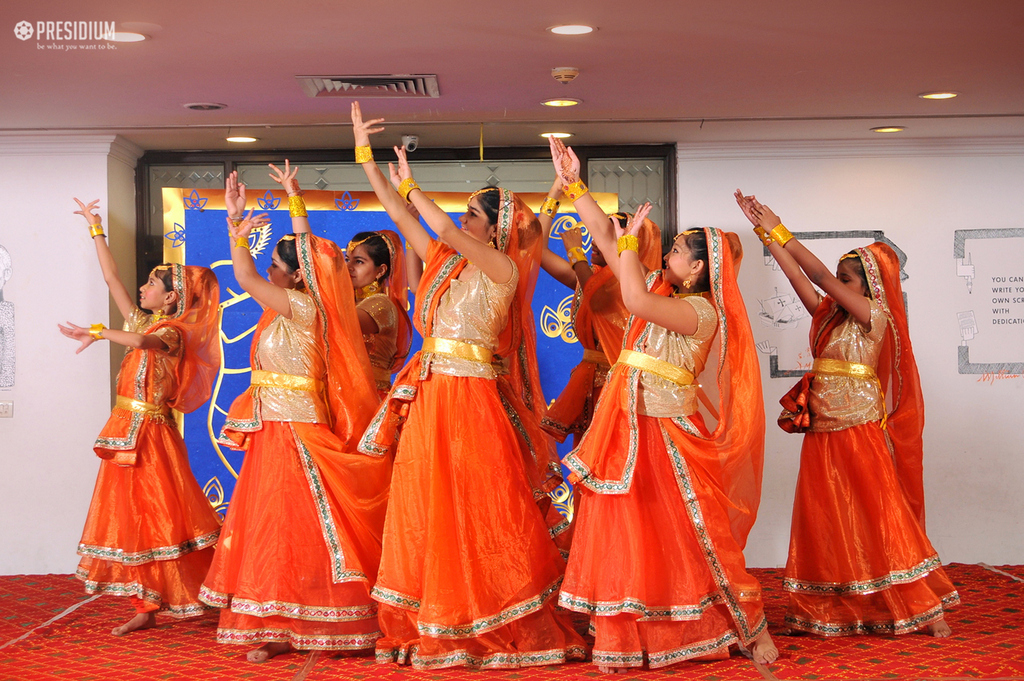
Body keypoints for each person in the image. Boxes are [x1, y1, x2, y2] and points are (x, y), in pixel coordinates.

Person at [351, 101, 586, 669]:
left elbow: (443, 227)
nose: (464, 219)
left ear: (496, 227)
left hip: (470, 400)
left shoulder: (502, 269)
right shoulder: (446, 263)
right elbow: (399, 214)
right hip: (431, 394)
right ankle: (433, 617)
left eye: (475, 213)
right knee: (425, 506)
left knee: (479, 508)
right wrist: (367, 158)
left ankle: (490, 615)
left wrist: (415, 187)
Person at [549, 141, 778, 672]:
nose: (667, 256)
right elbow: (605, 239)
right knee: (630, 533)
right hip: (628, 428)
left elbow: (630, 295)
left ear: (697, 269)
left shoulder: (699, 312)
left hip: (671, 434)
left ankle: (751, 625)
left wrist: (628, 244)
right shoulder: (661, 290)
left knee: (696, 533)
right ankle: (631, 633)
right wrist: (575, 184)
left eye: (676, 251)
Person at [735, 191, 959, 637]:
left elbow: (816, 274)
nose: (834, 286)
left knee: (879, 515)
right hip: (822, 427)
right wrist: (766, 233)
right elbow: (799, 276)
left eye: (845, 280)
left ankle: (924, 607)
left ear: (868, 286)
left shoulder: (874, 315)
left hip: (859, 427)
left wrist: (781, 228)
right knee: (825, 516)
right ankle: (827, 608)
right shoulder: (829, 316)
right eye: (837, 280)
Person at [199, 173, 390, 662]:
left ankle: (307, 622)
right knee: (277, 528)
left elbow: (245, 278)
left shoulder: (305, 307)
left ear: (298, 275)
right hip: (275, 427)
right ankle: (278, 621)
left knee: (295, 526)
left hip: (294, 431)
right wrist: (284, 204)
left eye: (276, 266)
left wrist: (238, 227)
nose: (269, 273)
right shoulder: (289, 310)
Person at [61, 198, 221, 636]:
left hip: (153, 435)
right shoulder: (139, 320)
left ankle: (210, 588)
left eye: (152, 283)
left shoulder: (172, 332)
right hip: (124, 434)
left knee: (163, 516)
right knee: (130, 517)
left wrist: (97, 332)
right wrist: (96, 229)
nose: (143, 287)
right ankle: (145, 604)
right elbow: (111, 278)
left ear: (171, 297)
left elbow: (140, 343)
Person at [268, 160, 411, 396]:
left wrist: (316, 275)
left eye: (359, 261)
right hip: (339, 398)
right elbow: (311, 263)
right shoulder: (349, 300)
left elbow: (331, 317)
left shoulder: (381, 305)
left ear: (381, 270)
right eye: (347, 259)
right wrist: (294, 197)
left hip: (368, 402)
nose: (348, 267)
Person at [537, 182, 662, 445]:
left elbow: (598, 300)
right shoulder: (589, 276)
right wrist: (554, 194)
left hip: (622, 389)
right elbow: (538, 252)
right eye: (598, 233)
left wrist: (576, 255)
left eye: (608, 235)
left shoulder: (640, 288)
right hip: (588, 386)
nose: (596, 241)